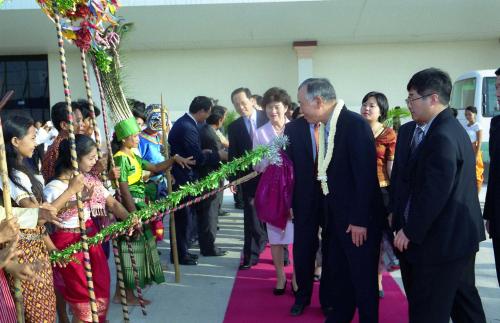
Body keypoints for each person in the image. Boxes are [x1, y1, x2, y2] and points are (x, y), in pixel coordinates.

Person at [391, 68, 486, 322]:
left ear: (433, 98)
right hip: (456, 238)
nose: (409, 104)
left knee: (429, 310)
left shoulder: (442, 135)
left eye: (412, 98)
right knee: (464, 303)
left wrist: (410, 230)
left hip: (441, 242)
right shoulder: (445, 128)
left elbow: (435, 193)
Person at [287, 78, 384, 321]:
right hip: (336, 220)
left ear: (318, 101)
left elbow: (365, 177)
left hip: (357, 222)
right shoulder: (328, 125)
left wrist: (360, 219)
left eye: (302, 103)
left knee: (362, 280)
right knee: (340, 276)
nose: (300, 109)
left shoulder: (354, 125)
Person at [1, 115, 85, 323]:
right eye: (31, 137)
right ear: (14, 141)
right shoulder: (8, 176)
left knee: (45, 313)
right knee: (37, 316)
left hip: (36, 253)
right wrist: (71, 191)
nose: (35, 142)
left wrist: (52, 250)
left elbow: (39, 224)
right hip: (22, 255)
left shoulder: (24, 170)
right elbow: (37, 217)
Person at [45, 134, 129, 322]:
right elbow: (45, 217)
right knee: (82, 296)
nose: (95, 162)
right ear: (75, 159)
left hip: (91, 239)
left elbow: (112, 203)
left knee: (100, 285)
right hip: (68, 244)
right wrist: (72, 194)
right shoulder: (54, 187)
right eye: (90, 158)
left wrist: (131, 220)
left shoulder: (89, 179)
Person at [112, 119, 194, 302]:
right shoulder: (120, 158)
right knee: (130, 251)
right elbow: (124, 189)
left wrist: (173, 159)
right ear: (124, 139)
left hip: (138, 206)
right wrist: (134, 215)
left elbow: (156, 168)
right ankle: (128, 295)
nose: (138, 139)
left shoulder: (133, 156)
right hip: (129, 208)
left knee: (134, 250)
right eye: (134, 136)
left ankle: (121, 293)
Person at [168, 96, 224, 265]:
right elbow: (196, 158)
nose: (207, 117)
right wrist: (215, 155)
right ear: (202, 111)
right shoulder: (188, 127)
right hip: (183, 178)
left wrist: (203, 153)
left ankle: (183, 251)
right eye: (207, 113)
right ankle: (180, 254)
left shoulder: (186, 123)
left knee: (187, 219)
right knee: (183, 219)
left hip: (184, 176)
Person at [253, 87, 297, 295]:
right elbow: (256, 165)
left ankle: (297, 276)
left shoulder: (296, 128)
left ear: (286, 107)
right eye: (269, 108)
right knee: (276, 237)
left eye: (277, 107)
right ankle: (280, 276)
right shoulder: (260, 133)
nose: (273, 112)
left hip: (295, 189)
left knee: (298, 235)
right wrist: (269, 160)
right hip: (272, 191)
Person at [360, 91, 399, 298]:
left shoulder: (389, 134)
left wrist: (395, 198)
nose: (366, 108)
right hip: (358, 191)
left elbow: (392, 168)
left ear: (381, 110)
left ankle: (377, 279)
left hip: (381, 191)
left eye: (372, 105)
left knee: (379, 238)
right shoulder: (356, 130)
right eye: (364, 104)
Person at [228, 87, 268, 270]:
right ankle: (250, 256)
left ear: (252, 100)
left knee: (276, 214)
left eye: (243, 102)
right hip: (249, 177)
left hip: (272, 175)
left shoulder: (267, 117)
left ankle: (282, 255)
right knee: (251, 216)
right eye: (236, 104)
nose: (240, 107)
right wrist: (232, 179)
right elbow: (233, 155)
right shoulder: (234, 127)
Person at [197, 105, 229, 256]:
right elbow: (218, 156)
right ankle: (209, 247)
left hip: (209, 178)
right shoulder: (210, 134)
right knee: (210, 214)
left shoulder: (207, 130)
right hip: (211, 178)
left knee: (208, 213)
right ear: (220, 119)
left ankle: (206, 244)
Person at [484, 67, 500, 286]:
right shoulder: (496, 124)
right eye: (496, 87)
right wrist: (489, 214)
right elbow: (494, 173)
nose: (497, 92)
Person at [464, 106, 484, 192]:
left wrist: (476, 156)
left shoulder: (478, 126)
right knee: (467, 175)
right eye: (466, 115)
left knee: (477, 175)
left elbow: (479, 142)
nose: (467, 116)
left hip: (475, 151)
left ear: (475, 114)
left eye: (469, 114)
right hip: (466, 152)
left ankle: (477, 197)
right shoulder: (466, 126)